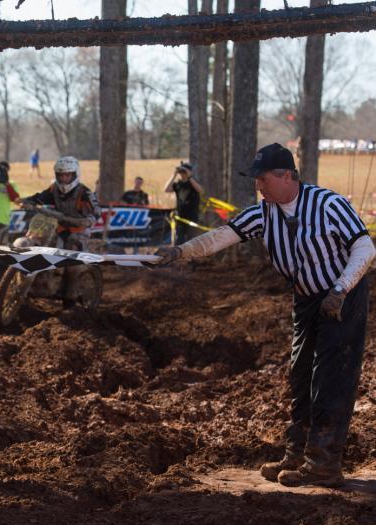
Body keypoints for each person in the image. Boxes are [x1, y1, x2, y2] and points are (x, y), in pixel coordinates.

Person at [157, 143, 375, 488]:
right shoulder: (264, 213)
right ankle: (297, 452)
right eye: (256, 179)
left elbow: (365, 246)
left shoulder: (328, 204)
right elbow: (221, 237)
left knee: (331, 377)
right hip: (306, 299)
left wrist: (340, 289)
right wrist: (179, 252)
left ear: (286, 176)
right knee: (300, 373)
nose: (258, 186)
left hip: (342, 297)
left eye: (263, 179)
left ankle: (324, 463)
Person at [20, 156, 100, 307]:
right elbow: (40, 197)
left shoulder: (85, 192)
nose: (64, 178)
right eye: (61, 175)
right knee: (38, 243)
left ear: (75, 174)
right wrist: (28, 201)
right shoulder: (53, 189)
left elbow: (96, 210)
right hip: (57, 227)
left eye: (67, 175)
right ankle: (34, 279)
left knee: (71, 259)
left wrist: (88, 220)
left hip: (77, 230)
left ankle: (69, 296)